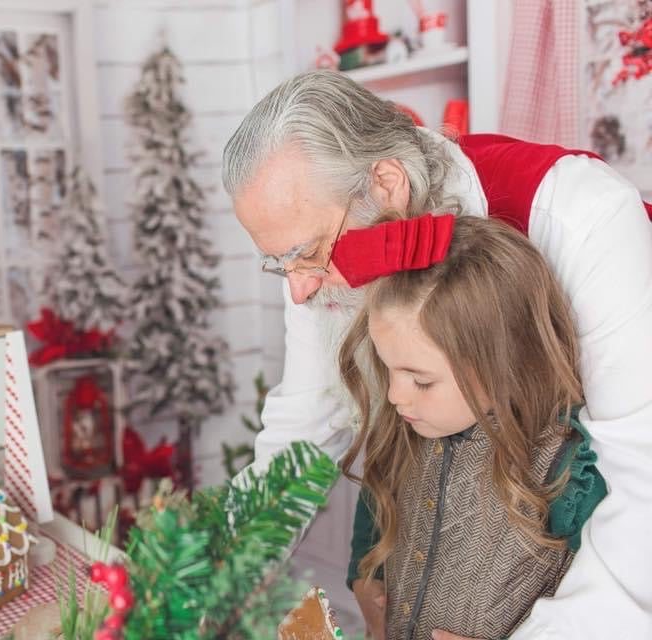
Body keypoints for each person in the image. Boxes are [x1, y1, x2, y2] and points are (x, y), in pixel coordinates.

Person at [221, 69, 652, 639]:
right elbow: (306, 425)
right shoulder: (324, 251)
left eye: (306, 255)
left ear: (387, 182)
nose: (298, 290)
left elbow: (642, 484)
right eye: (279, 264)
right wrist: (212, 577)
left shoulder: (579, 215)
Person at [336, 213, 605, 640]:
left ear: (501, 363)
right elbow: (378, 496)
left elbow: (616, 606)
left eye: (421, 379)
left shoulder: (568, 463)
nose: (394, 396)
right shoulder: (410, 425)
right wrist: (364, 576)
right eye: (388, 371)